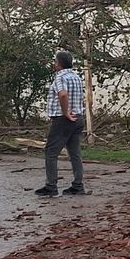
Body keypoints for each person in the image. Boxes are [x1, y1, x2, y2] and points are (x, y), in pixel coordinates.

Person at [37, 50, 86, 197]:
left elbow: (63, 94)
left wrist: (65, 112)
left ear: (58, 64)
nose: (54, 64)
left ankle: (51, 186)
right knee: (75, 153)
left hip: (63, 119)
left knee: (51, 152)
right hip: (78, 117)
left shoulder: (60, 77)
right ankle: (78, 185)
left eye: (55, 62)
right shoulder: (76, 77)